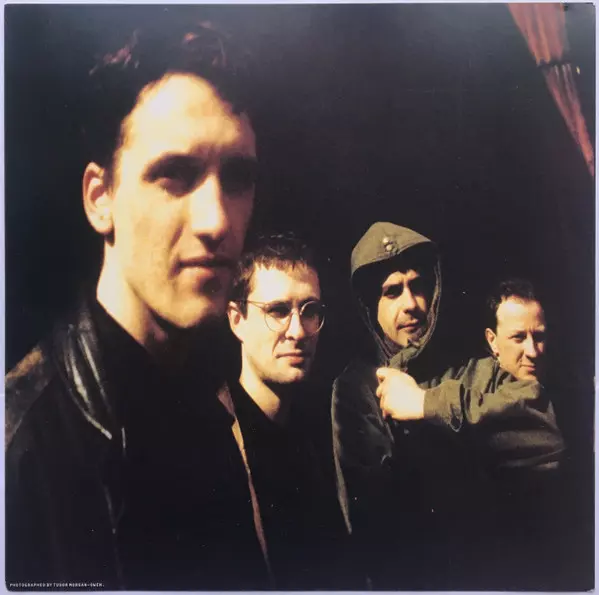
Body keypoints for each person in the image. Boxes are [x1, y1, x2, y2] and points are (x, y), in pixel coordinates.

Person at [5, 22, 271, 590]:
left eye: (238, 178)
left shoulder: (213, 409)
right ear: (100, 198)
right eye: (174, 175)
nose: (217, 221)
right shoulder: (19, 448)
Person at [332, 221, 565, 589]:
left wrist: (428, 404)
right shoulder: (356, 387)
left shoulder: (476, 369)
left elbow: (544, 437)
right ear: (369, 306)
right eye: (392, 292)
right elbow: (373, 519)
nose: (411, 304)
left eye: (418, 286)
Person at [226, 233, 357, 589]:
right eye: (278, 311)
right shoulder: (211, 441)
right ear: (237, 319)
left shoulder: (325, 432)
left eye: (310, 311)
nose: (298, 332)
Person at [485, 278, 547, 381]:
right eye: (518, 337)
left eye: (538, 337)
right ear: (492, 341)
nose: (532, 352)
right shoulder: (462, 389)